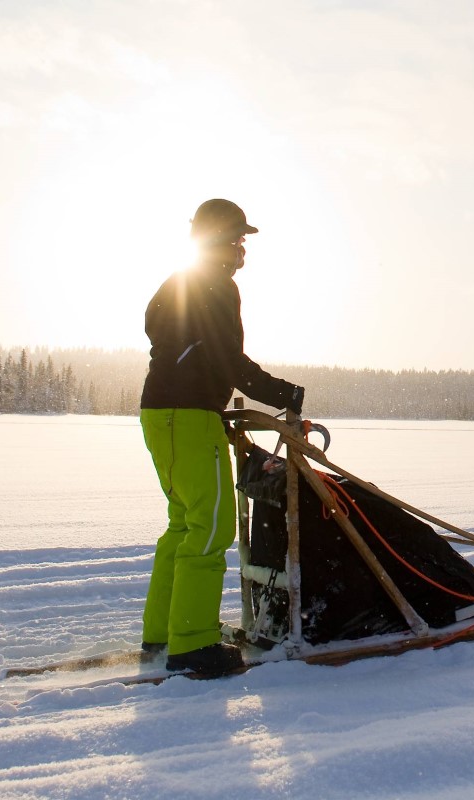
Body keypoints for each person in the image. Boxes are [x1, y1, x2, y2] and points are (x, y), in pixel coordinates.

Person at [139, 198, 305, 677]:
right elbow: (228, 362)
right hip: (189, 417)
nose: (241, 249)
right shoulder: (215, 286)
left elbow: (193, 350)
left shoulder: (181, 282)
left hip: (160, 415)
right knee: (211, 529)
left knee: (184, 524)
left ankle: (163, 635)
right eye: (237, 239)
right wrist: (284, 394)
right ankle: (192, 647)